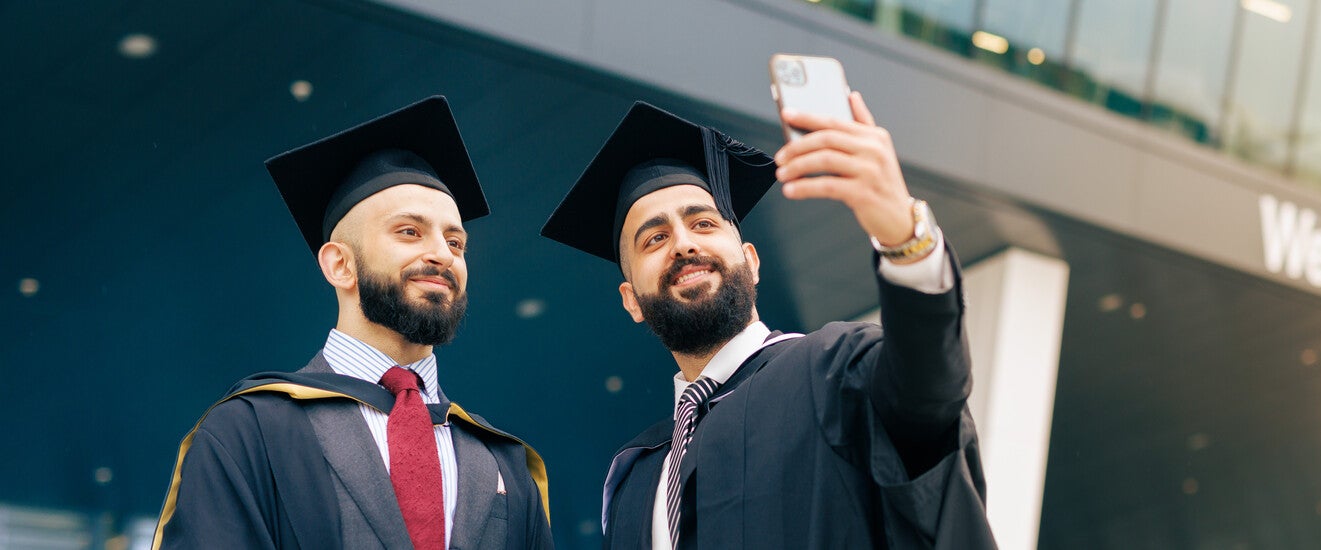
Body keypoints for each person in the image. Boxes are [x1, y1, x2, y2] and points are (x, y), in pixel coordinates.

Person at [541, 95, 996, 549]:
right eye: (655, 238)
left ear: (751, 261)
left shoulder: (837, 373)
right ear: (631, 301)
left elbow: (928, 387)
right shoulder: (635, 477)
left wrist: (906, 241)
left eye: (703, 224)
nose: (683, 244)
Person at [152, 96, 553, 549]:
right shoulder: (249, 431)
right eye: (409, 231)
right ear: (340, 265)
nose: (443, 254)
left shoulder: (506, 463)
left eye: (456, 242)